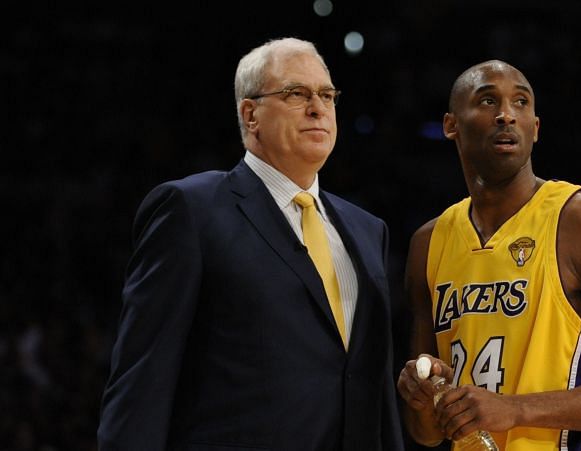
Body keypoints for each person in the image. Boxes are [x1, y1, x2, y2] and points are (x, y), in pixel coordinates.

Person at [97, 37, 403, 451]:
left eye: (327, 95)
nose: (318, 107)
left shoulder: (367, 229)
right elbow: (143, 378)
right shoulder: (192, 210)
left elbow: (370, 381)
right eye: (297, 93)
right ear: (250, 113)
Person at [396, 60, 581, 450]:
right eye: (487, 101)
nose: (506, 115)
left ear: (535, 128)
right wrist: (424, 395)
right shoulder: (428, 243)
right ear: (451, 125)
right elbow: (426, 431)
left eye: (521, 103)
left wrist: (515, 410)